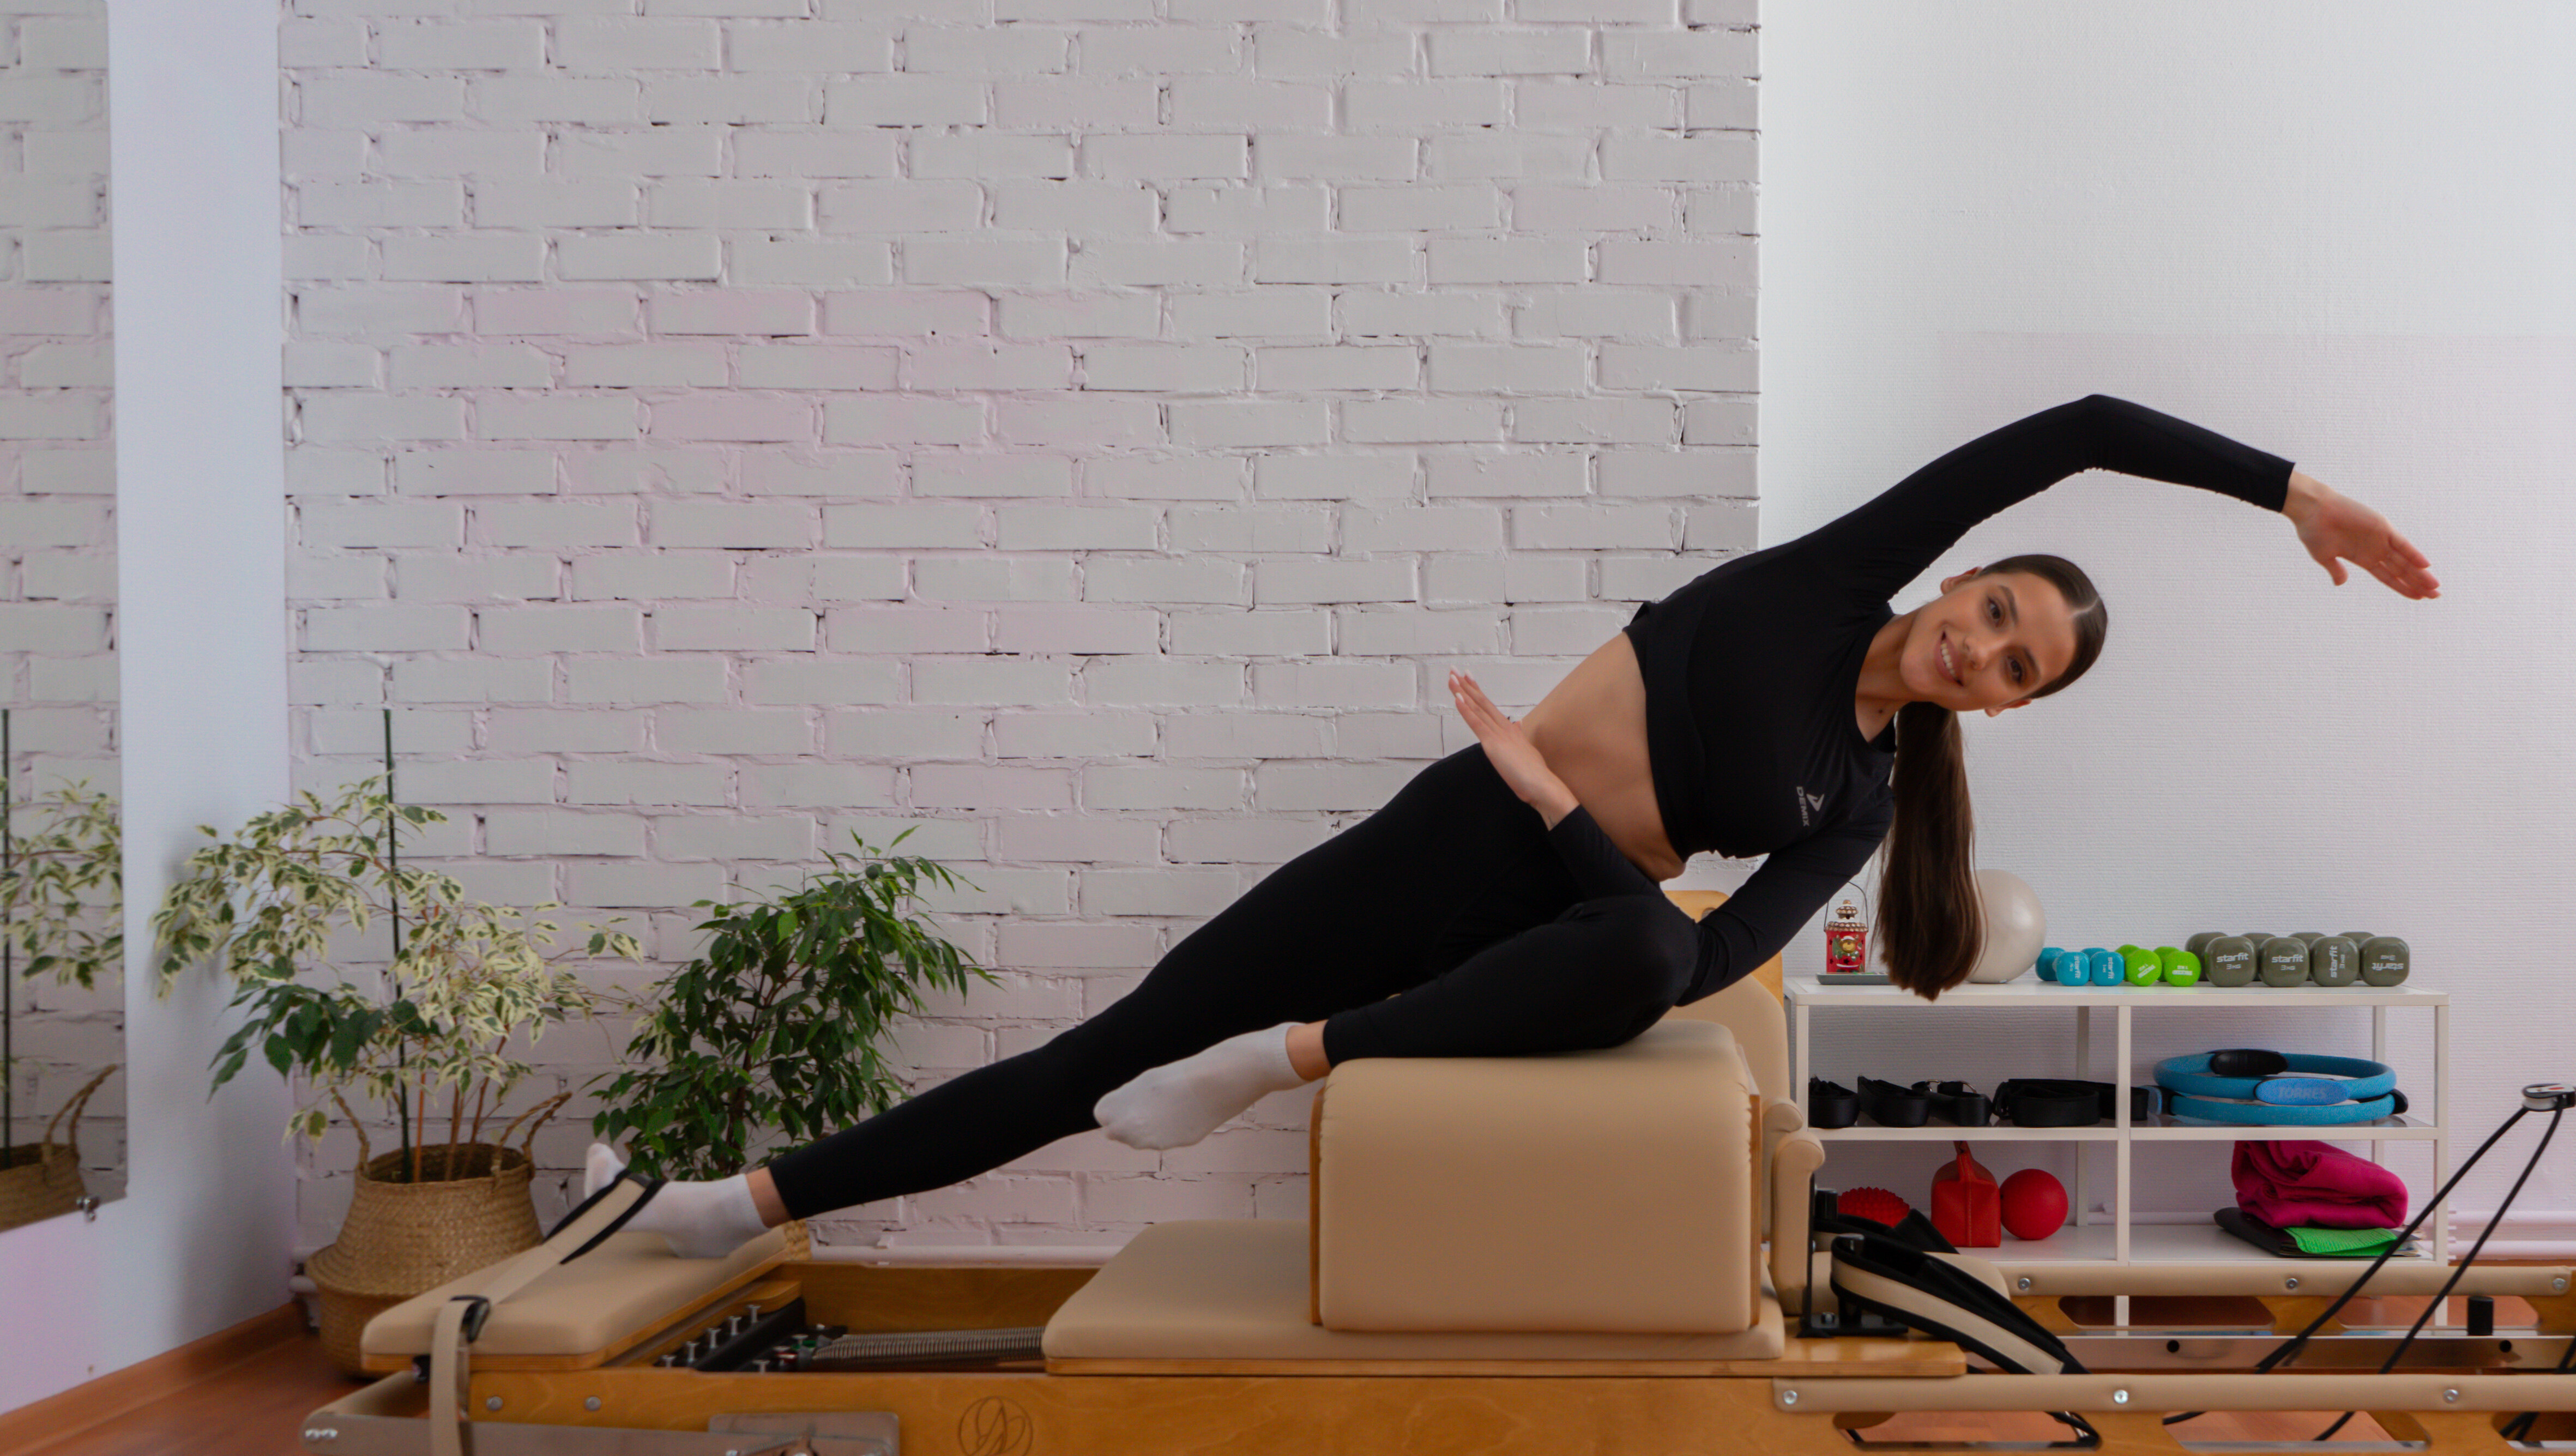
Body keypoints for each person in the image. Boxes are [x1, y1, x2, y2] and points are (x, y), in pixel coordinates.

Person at [587, 394, 2438, 1256]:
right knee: (1099, 1060)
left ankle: (1286, 1061)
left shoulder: (1863, 801)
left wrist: (1563, 806)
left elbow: (1702, 961)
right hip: (1429, 848)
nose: (1986, 647)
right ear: (1959, 576)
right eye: (1999, 611)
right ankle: (736, 1207)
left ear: (2010, 708)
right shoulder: (1831, 575)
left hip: (1538, 932)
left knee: (1644, 947)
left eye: (2018, 667)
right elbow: (2085, 425)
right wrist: (2292, 490)